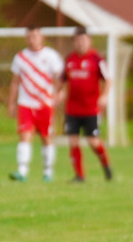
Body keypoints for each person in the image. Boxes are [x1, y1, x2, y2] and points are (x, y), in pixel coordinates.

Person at [8, 26, 64, 182]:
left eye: (35, 36)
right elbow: (15, 82)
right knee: (25, 136)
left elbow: (61, 78)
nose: (32, 39)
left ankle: (48, 171)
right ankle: (22, 171)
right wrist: (11, 103)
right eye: (29, 36)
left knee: (46, 138)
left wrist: (59, 93)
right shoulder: (20, 57)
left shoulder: (51, 56)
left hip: (45, 103)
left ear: (41, 37)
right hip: (25, 103)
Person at [60, 26, 113, 183]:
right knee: (73, 141)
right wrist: (59, 92)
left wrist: (104, 96)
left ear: (89, 41)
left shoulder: (97, 59)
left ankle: (106, 164)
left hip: (90, 109)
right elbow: (63, 80)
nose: (80, 43)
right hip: (72, 109)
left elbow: (108, 79)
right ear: (73, 42)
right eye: (77, 41)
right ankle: (79, 176)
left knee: (93, 142)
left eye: (83, 40)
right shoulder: (69, 59)